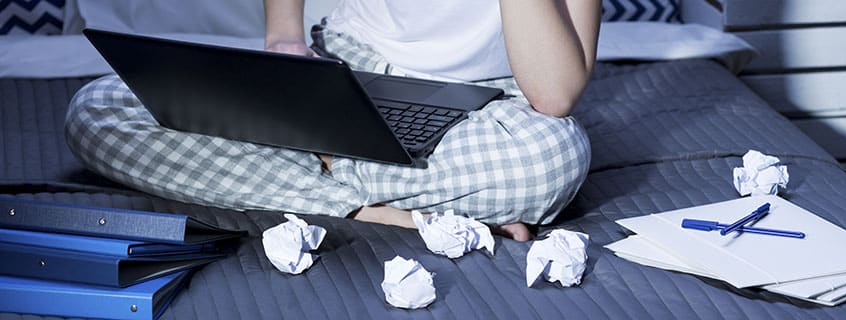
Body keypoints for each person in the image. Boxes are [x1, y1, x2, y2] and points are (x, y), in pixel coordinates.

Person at [65, 0, 598, 241]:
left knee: (550, 158)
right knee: (100, 108)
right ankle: (375, 211)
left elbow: (553, 96)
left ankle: (314, 167)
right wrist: (285, 42)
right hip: (349, 65)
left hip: (483, 110)